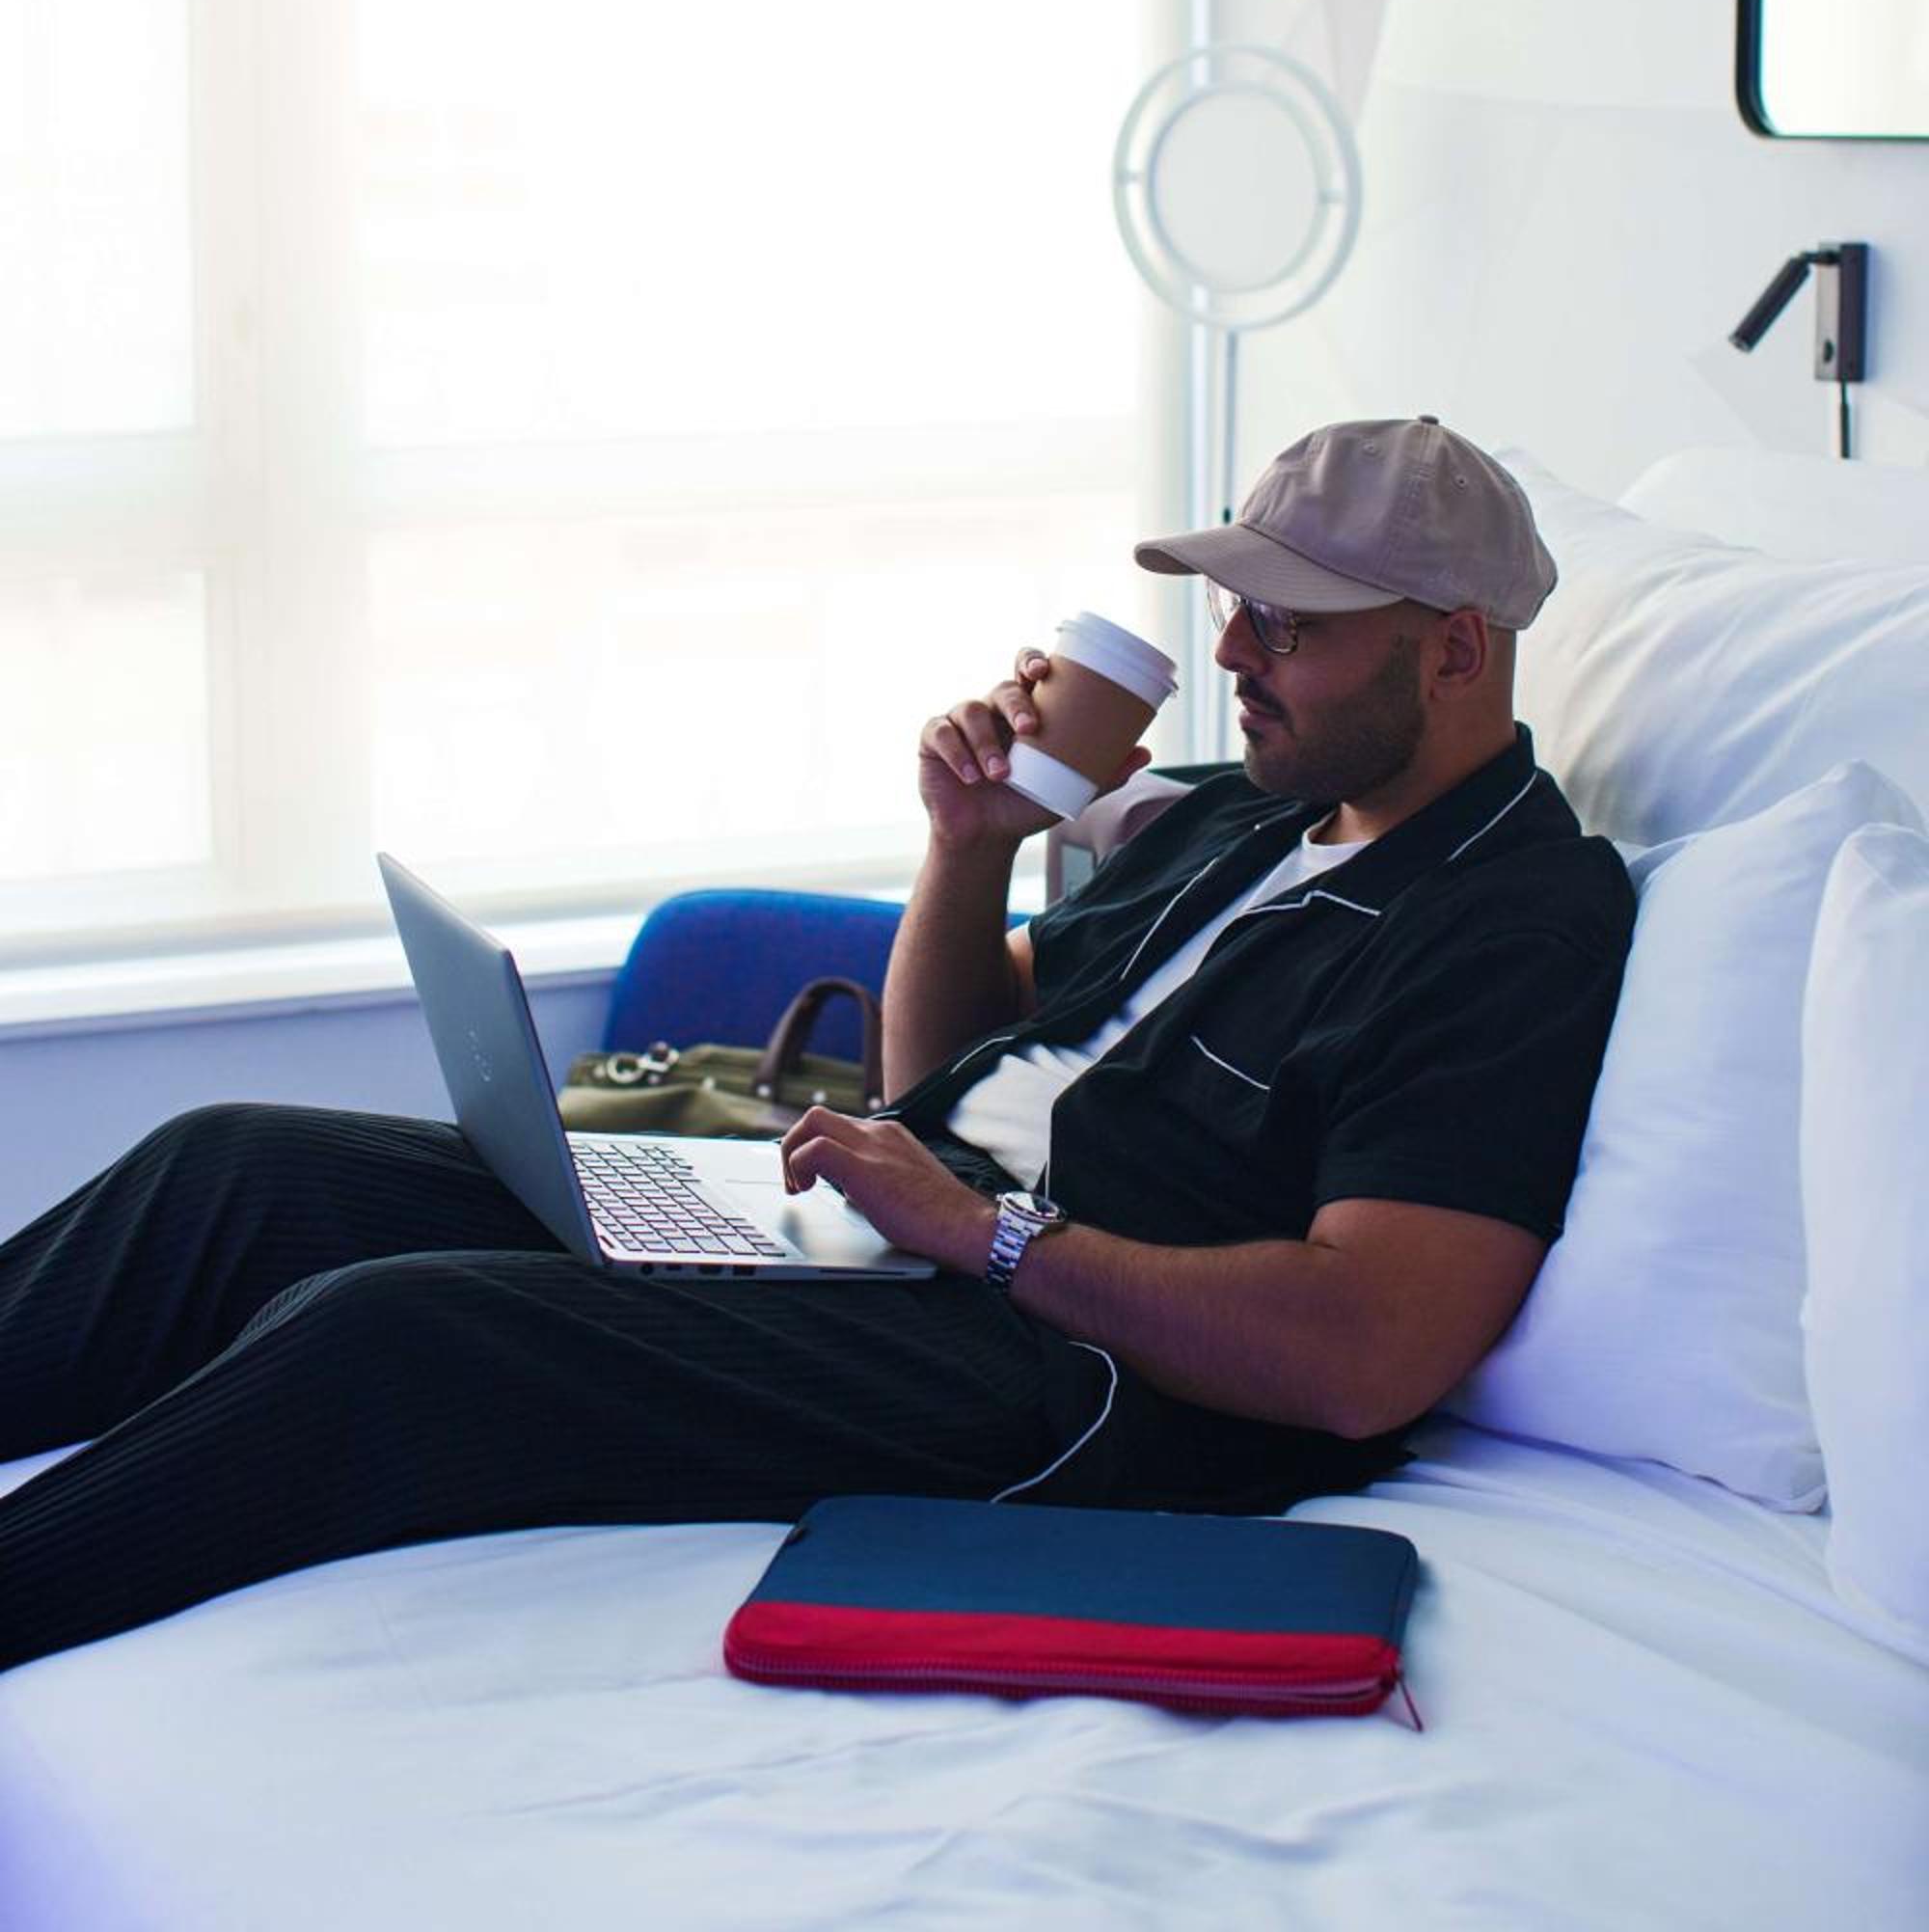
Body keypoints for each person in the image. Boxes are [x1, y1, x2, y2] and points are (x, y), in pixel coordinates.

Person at [0, 416, 1633, 1673]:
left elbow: (1365, 1354)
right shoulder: (1238, 818)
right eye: (1231, 611)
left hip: (1053, 1372)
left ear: (1454, 648)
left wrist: (988, 1237)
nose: (1229, 659)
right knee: (240, 1170)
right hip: (905, 1244)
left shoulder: (1510, 926)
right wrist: (969, 845)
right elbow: (944, 1075)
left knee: (392, 1336)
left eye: (1285, 626)